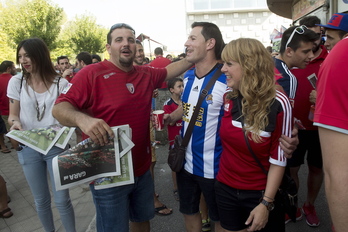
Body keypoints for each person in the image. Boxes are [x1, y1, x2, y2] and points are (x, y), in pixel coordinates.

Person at [52, 23, 192, 232]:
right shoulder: (91, 74)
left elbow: (169, 69)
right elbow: (59, 108)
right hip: (107, 173)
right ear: (109, 47)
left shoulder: (145, 74)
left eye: (130, 40)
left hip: (141, 169)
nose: (126, 43)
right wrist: (83, 120)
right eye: (119, 39)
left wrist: (193, 57)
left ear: (135, 47)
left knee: (142, 221)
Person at [167, 22, 299, 232]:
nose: (186, 43)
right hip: (198, 170)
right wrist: (172, 116)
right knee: (191, 213)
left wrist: (289, 127)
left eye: (193, 38)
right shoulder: (197, 79)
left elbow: (268, 111)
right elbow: (191, 108)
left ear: (210, 43)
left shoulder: (232, 86)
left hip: (220, 172)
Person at [215, 37, 292, 232]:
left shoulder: (279, 102)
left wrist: (266, 203)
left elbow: (279, 159)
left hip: (261, 193)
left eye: (229, 64)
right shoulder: (228, 96)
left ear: (249, 65)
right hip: (225, 186)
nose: (223, 69)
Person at [7, 38, 76, 232]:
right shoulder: (16, 81)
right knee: (41, 200)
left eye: (27, 55)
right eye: (20, 57)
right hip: (28, 147)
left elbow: (69, 114)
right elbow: (13, 115)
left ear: (40, 55)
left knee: (62, 200)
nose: (23, 60)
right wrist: (15, 124)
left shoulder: (60, 84)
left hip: (56, 146)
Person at [288, 16, 328, 227]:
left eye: (317, 35)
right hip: (293, 127)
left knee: (316, 168)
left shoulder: (331, 58)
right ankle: (292, 205)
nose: (313, 40)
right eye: (308, 33)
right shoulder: (291, 58)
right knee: (292, 169)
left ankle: (309, 204)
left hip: (320, 128)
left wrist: (321, 98)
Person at [134, 39, 173, 217]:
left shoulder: (145, 72)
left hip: (148, 120)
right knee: (148, 161)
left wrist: (150, 92)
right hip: (137, 126)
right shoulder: (127, 73)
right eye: (137, 51)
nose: (141, 54)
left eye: (142, 51)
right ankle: (150, 198)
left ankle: (148, 191)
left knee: (152, 160)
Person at [274, 25, 319, 107]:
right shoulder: (288, 78)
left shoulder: (267, 64)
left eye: (312, 51)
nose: (311, 55)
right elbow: (284, 116)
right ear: (289, 51)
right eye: (306, 52)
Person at [163, 77, 183, 201]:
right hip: (174, 140)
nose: (182, 88)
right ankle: (176, 188)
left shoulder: (186, 100)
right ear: (171, 90)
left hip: (185, 138)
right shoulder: (168, 104)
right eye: (179, 86)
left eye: (183, 86)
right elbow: (170, 123)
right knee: (176, 164)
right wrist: (180, 108)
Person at [0, 60, 18, 152]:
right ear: (8, 69)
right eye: (13, 67)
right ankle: (16, 146)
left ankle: (6, 144)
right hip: (14, 111)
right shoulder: (15, 80)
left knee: (7, 129)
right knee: (13, 130)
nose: (15, 69)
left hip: (3, 111)